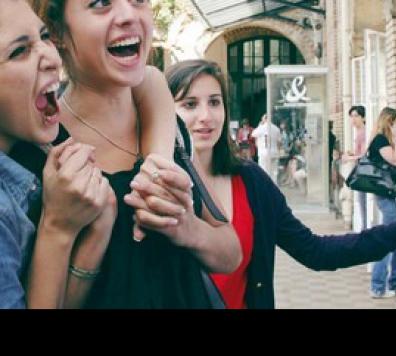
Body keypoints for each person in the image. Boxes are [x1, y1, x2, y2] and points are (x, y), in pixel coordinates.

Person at [31, 0, 242, 308]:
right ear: (57, 29)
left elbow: (231, 252)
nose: (129, 15)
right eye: (101, 3)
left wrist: (186, 227)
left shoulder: (172, 131)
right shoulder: (40, 152)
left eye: (138, 0)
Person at [166, 59, 396, 309]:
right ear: (165, 111)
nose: (206, 116)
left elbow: (316, 251)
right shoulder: (157, 187)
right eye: (189, 104)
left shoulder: (251, 182)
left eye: (214, 102)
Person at [0, 0, 116, 309]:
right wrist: (59, 228)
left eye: (43, 37)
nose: (51, 57)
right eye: (18, 51)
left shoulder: (34, 145)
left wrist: (97, 230)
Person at [366, 107, 396, 298]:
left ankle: (395, 283)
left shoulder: (391, 140)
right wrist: (395, 137)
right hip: (387, 197)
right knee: (388, 239)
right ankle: (378, 286)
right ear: (388, 122)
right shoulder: (380, 140)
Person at [343, 105, 368, 231]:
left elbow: (364, 155)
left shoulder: (364, 132)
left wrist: (350, 158)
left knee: (364, 201)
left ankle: (365, 229)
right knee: (361, 201)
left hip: (365, 171)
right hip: (360, 170)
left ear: (363, 117)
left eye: (356, 116)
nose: (353, 119)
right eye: (351, 116)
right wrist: (352, 154)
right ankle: (364, 228)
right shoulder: (359, 132)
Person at [251, 113, 281, 184]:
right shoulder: (276, 128)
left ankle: (265, 185)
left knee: (264, 170)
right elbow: (279, 141)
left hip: (264, 153)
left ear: (265, 119)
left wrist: (260, 125)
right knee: (274, 172)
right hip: (274, 152)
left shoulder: (262, 127)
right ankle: (274, 185)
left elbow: (253, 134)